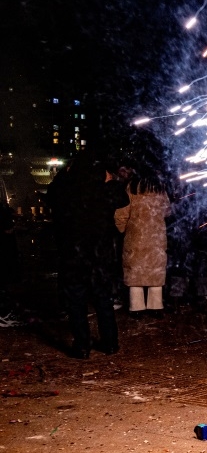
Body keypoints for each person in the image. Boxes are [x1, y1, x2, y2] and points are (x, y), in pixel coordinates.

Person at [46, 151, 129, 358]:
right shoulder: (103, 189)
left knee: (76, 300)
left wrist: (64, 175)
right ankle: (110, 342)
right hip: (99, 252)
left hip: (73, 253)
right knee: (103, 298)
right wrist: (109, 180)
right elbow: (123, 199)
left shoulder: (65, 187)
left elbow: (50, 196)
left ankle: (82, 345)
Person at [115, 175, 171, 313]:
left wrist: (121, 227)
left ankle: (136, 307)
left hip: (136, 235)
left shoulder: (131, 187)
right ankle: (156, 306)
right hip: (156, 236)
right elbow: (167, 210)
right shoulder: (160, 187)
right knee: (156, 270)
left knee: (135, 272)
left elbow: (122, 211)